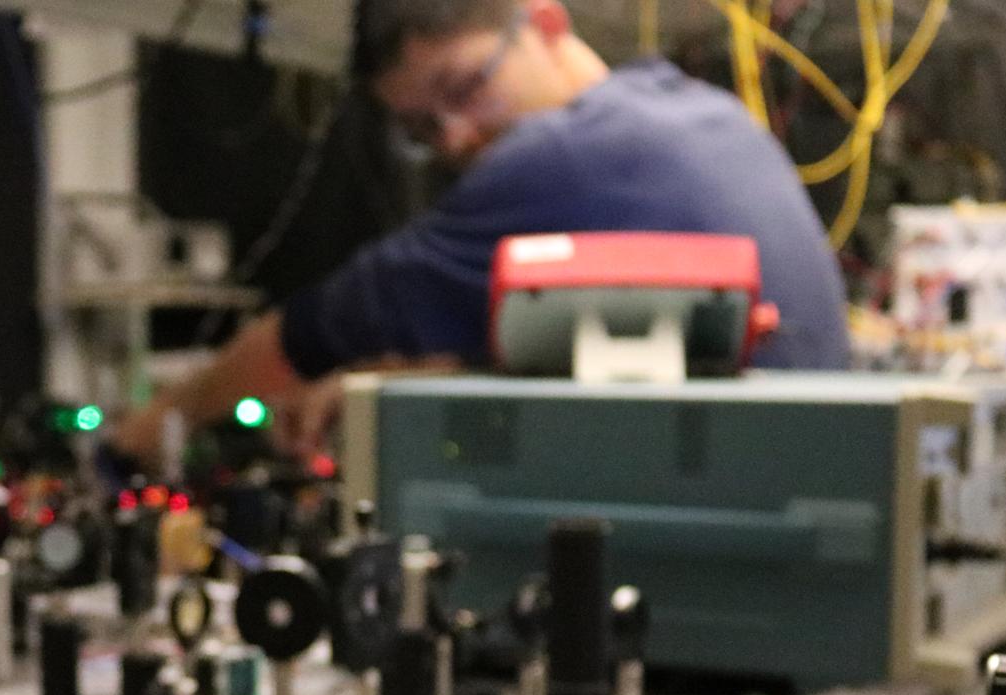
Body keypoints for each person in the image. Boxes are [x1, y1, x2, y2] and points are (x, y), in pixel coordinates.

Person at [110, 0, 850, 459]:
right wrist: (405, 385)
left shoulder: (556, 154)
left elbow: (313, 333)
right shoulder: (701, 111)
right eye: (421, 127)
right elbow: (627, 350)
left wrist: (161, 422)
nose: (457, 136)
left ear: (547, 21)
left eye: (465, 89)